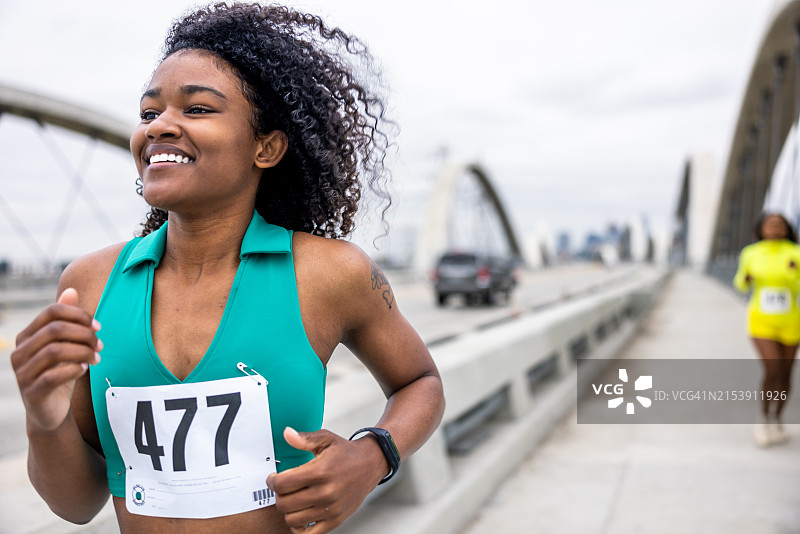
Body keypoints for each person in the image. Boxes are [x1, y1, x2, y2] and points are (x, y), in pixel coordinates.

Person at [10, 3, 445, 533]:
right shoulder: (89, 284)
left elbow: (421, 381)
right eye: (148, 114)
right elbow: (76, 505)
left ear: (267, 147)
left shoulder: (329, 274)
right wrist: (44, 417)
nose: (159, 126)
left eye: (197, 109)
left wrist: (372, 456)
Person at [733, 212, 800, 447]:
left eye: (779, 224)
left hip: (791, 320)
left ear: (786, 228)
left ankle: (777, 418)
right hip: (761, 320)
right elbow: (740, 284)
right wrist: (746, 279)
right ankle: (763, 417)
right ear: (761, 228)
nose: (774, 228)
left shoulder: (795, 253)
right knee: (773, 369)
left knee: (786, 373)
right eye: (770, 224)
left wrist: (792, 274)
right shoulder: (750, 253)